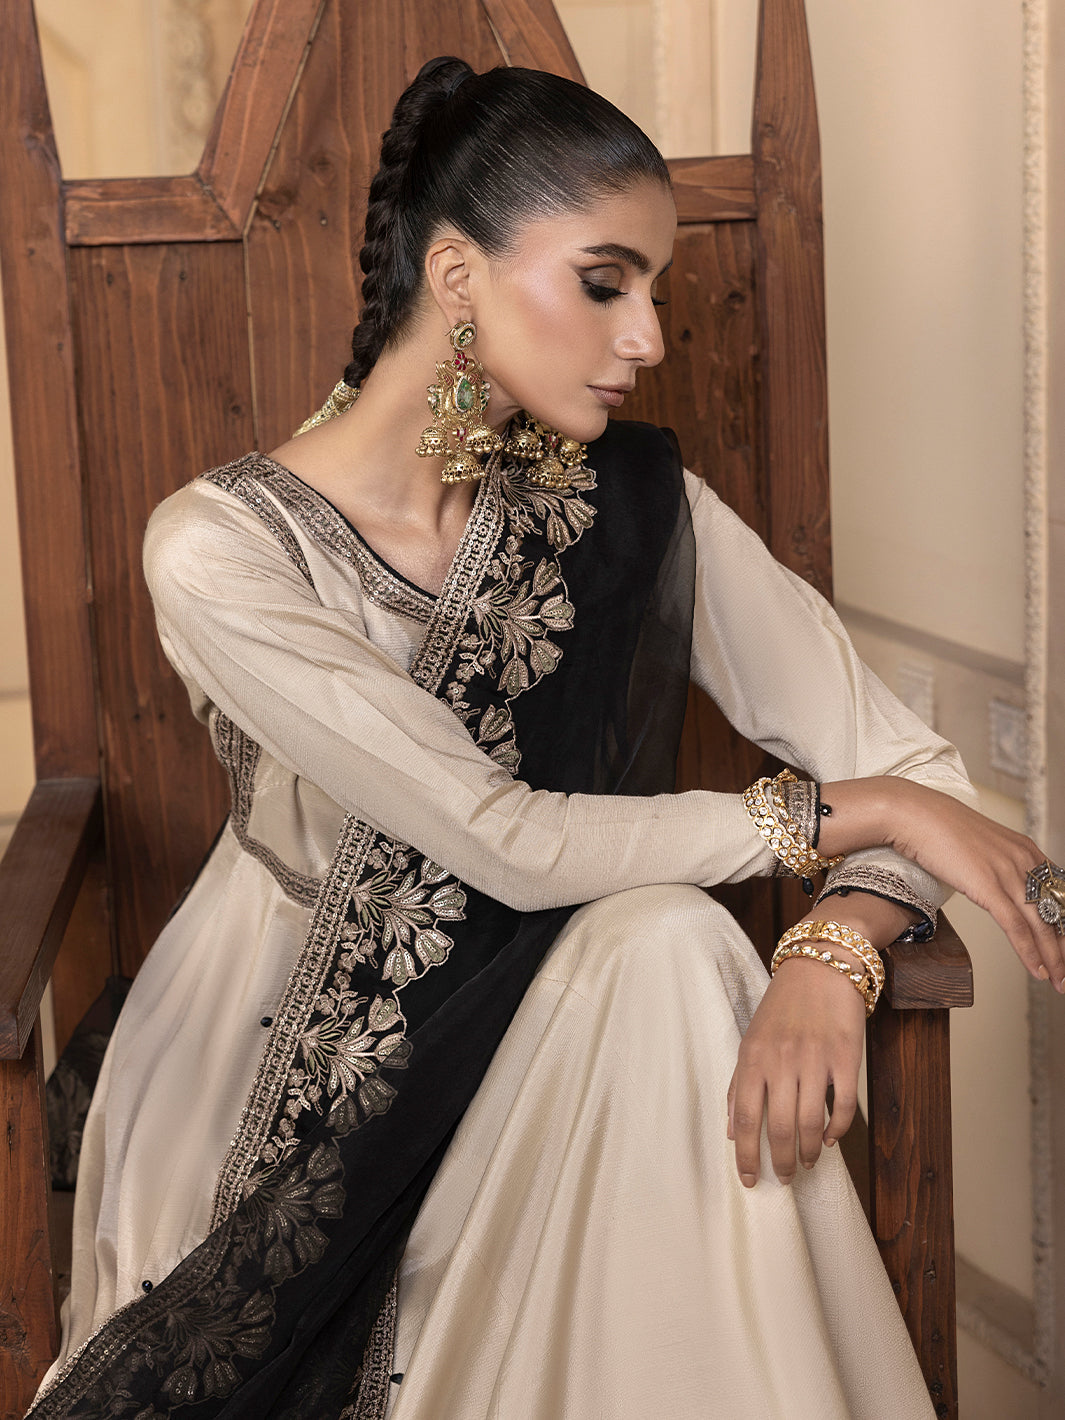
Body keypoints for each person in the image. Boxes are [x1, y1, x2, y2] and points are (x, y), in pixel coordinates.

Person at [31, 57, 1063, 1420]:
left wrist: (832, 951)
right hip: (307, 1054)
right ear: (456, 275)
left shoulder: (630, 507)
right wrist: (842, 816)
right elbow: (499, 839)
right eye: (604, 283)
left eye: (656, 291)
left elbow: (915, 770)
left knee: (669, 941)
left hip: (560, 1012)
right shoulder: (224, 552)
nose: (648, 338)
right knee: (664, 941)